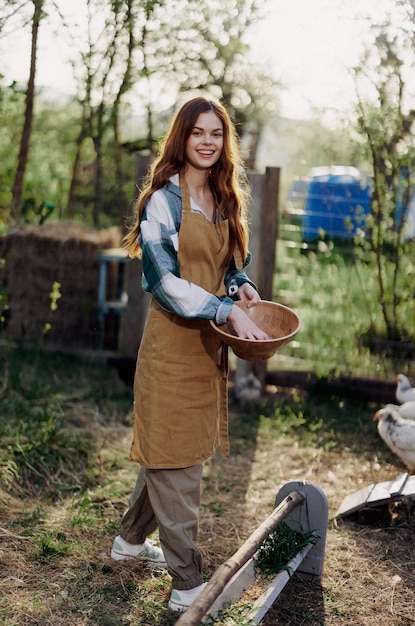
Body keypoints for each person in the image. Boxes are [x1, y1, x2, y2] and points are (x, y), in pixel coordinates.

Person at [110, 95, 268, 613]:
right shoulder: (163, 201)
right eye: (198, 132)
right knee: (178, 465)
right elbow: (163, 282)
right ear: (182, 136)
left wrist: (241, 287)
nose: (207, 141)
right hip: (170, 348)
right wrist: (224, 311)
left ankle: (130, 541)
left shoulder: (223, 197)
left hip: (206, 350)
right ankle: (187, 585)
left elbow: (227, 264)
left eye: (216, 133)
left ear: (225, 143)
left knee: (170, 451)